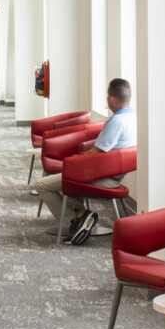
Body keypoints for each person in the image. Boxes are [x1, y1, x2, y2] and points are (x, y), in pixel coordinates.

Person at [33, 78, 136, 243]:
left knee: (42, 185)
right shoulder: (133, 118)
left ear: (112, 98)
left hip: (103, 178)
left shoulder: (116, 121)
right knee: (64, 179)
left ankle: (75, 220)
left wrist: (76, 161)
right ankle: (81, 213)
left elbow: (97, 152)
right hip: (113, 174)